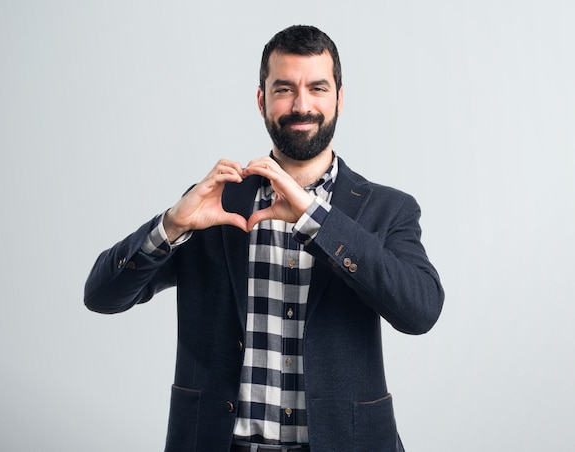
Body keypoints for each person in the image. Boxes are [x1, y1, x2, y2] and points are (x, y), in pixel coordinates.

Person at [84, 25, 444, 452]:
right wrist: (171, 225)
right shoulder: (214, 204)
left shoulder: (389, 209)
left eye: (317, 88)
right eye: (284, 89)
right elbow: (102, 295)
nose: (301, 105)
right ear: (262, 100)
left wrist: (317, 220)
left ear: (339, 99)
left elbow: (421, 310)